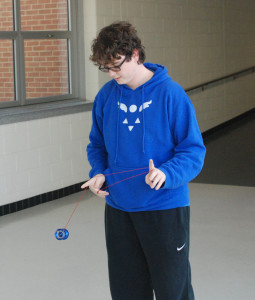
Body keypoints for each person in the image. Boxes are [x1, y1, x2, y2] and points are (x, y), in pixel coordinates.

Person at [82, 21, 206, 300]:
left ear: (135, 54)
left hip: (164, 207)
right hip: (119, 210)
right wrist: (99, 172)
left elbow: (193, 151)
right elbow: (97, 144)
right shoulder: (106, 96)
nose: (112, 74)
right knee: (126, 291)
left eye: (116, 66)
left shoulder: (171, 95)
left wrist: (167, 173)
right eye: (106, 68)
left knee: (172, 290)